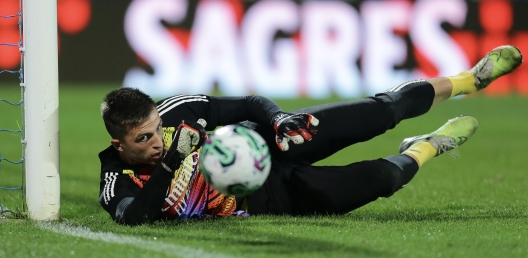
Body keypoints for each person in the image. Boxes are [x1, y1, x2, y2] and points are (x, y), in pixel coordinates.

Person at [98, 45, 523, 225]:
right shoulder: (115, 183)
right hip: (267, 199)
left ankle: (469, 78)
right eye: (143, 140)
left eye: (158, 130)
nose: (156, 141)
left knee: (381, 112)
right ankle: (427, 147)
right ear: (120, 145)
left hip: (267, 142)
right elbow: (137, 218)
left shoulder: (178, 110)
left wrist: (280, 118)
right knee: (383, 180)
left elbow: (247, 103)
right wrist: (172, 160)